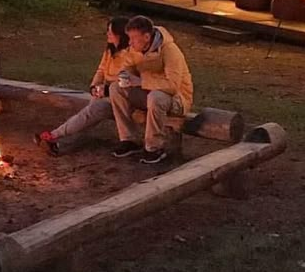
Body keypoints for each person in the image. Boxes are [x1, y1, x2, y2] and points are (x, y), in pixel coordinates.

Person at [34, 17, 130, 156]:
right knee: (88, 114)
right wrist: (94, 86)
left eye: (110, 32)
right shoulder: (110, 51)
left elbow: (125, 81)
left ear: (120, 35)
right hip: (105, 93)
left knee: (92, 111)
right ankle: (58, 142)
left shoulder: (129, 55)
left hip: (120, 98)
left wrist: (106, 90)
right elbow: (101, 70)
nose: (107, 34)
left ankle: (55, 136)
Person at [109, 14, 193, 165]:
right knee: (116, 88)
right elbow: (128, 67)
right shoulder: (135, 49)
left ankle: (154, 148)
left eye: (133, 38)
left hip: (177, 99)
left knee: (156, 97)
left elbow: (172, 86)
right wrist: (125, 74)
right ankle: (129, 140)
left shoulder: (169, 51)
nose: (130, 42)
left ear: (147, 37)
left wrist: (141, 81)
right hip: (149, 94)